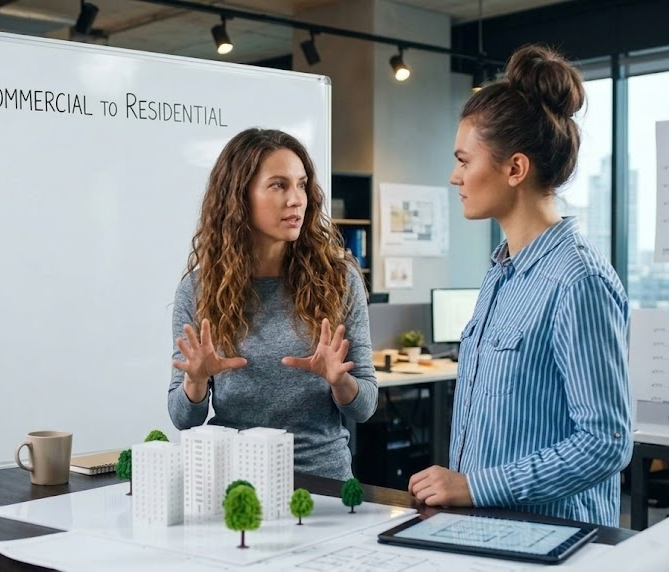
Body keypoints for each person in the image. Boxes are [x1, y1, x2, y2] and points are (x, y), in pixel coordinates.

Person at [407, 44, 632, 526]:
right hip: (491, 532)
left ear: (515, 169)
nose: (454, 176)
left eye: (465, 161)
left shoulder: (578, 280)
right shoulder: (500, 273)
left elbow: (606, 442)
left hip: (555, 541)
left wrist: (474, 486)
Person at [167, 128, 378, 481]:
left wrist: (341, 382)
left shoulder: (339, 280)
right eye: (278, 185)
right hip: (233, 481)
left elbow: (365, 406)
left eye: (301, 184)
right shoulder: (199, 289)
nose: (296, 199)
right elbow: (182, 418)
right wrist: (196, 383)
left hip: (320, 482)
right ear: (239, 196)